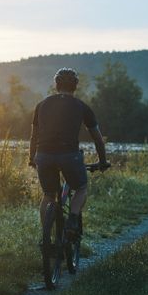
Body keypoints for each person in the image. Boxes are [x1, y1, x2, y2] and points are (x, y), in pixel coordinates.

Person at [29, 68, 108, 279]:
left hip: (43, 155)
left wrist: (31, 158)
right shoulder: (82, 107)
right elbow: (98, 139)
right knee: (81, 187)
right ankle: (73, 220)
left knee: (48, 195)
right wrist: (102, 161)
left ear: (56, 85)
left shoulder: (42, 105)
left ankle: (46, 236)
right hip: (69, 156)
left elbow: (34, 137)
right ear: (76, 86)